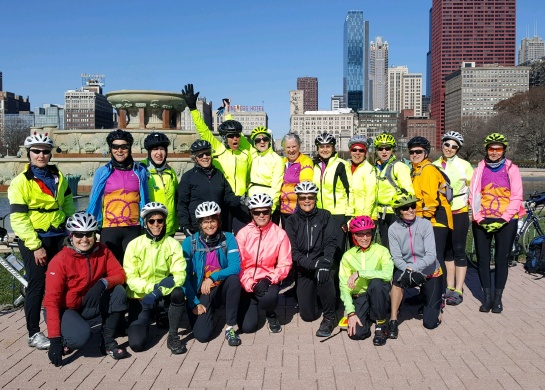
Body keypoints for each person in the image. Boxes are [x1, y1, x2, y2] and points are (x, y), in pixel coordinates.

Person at [8, 132, 75, 350]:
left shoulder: (59, 176)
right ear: (29, 154)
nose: (41, 155)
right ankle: (34, 333)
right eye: (36, 151)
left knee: (60, 282)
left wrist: (69, 230)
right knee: (36, 285)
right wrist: (35, 245)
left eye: (45, 151)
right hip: (35, 239)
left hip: (58, 237)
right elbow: (18, 218)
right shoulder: (20, 182)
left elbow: (67, 204)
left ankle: (62, 324)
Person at [44, 212, 128, 366]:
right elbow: (51, 302)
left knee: (118, 292)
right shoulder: (60, 261)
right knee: (81, 337)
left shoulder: (102, 250)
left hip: (88, 304)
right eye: (79, 235)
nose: (84, 239)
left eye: (89, 234)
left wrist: (102, 283)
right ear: (71, 236)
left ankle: (107, 341)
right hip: (65, 309)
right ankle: (65, 339)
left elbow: (120, 275)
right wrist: (54, 340)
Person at [181, 83, 252, 233]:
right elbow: (203, 130)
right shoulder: (217, 149)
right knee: (222, 237)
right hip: (222, 203)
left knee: (242, 238)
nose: (235, 139)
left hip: (239, 202)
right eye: (231, 136)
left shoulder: (245, 151)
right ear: (224, 138)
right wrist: (193, 109)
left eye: (237, 136)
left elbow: (249, 177)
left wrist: (228, 113)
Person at [469, 133, 524, 314]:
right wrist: (478, 217)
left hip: (506, 220)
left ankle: (498, 299)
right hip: (483, 219)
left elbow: (517, 196)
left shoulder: (511, 169)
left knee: (501, 260)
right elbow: (474, 196)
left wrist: (504, 218)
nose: (494, 152)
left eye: (498, 149)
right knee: (483, 260)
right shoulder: (479, 170)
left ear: (503, 150)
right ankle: (487, 298)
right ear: (486, 150)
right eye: (491, 149)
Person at [124, 202, 187, 354]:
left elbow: (180, 274)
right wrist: (151, 289)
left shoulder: (172, 244)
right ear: (145, 223)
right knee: (137, 345)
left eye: (160, 220)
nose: (156, 224)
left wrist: (158, 291)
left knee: (178, 292)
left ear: (165, 222)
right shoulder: (134, 245)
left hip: (162, 295)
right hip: (141, 298)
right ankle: (153, 316)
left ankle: (172, 335)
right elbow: (130, 278)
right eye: (151, 221)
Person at [182, 201, 242, 346]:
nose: (209, 225)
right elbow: (183, 276)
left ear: (218, 221)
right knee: (202, 336)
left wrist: (213, 277)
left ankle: (230, 327)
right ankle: (209, 311)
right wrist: (193, 302)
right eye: (205, 222)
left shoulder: (228, 238)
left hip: (220, 286)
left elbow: (236, 266)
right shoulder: (189, 242)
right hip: (201, 292)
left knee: (234, 280)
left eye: (212, 221)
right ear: (200, 224)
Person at [87, 129, 149, 264]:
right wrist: (91, 225)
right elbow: (94, 200)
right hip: (109, 227)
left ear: (129, 148)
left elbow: (146, 199)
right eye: (115, 147)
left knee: (133, 266)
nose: (119, 150)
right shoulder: (103, 172)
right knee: (110, 267)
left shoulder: (140, 171)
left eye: (124, 147)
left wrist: (147, 222)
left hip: (133, 227)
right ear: (111, 149)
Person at [285, 181, 338, 337]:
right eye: (302, 198)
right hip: (304, 267)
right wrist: (311, 264)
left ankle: (329, 316)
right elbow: (293, 252)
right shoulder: (291, 221)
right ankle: (314, 294)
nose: (306, 201)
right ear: (298, 199)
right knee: (308, 316)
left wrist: (326, 262)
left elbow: (330, 242)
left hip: (321, 263)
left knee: (325, 276)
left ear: (315, 198)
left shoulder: (325, 215)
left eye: (310, 197)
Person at [388, 195, 444, 337]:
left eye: (413, 206)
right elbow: (396, 257)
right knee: (397, 281)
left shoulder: (425, 224)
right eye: (406, 208)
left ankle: (430, 299)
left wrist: (413, 268)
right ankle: (393, 320)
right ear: (399, 211)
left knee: (430, 323)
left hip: (430, 271)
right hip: (407, 270)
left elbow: (431, 255)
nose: (411, 210)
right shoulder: (393, 229)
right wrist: (408, 270)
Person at [236, 193, 292, 334]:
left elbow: (285, 263)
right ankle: (253, 300)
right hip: (247, 281)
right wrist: (251, 284)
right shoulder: (243, 234)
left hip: (268, 279)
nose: (261, 215)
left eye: (265, 211)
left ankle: (270, 313)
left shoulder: (280, 234)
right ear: (251, 213)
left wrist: (268, 279)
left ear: (270, 212)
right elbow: (238, 265)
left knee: (270, 298)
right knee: (248, 328)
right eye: (257, 212)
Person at [433, 131, 474, 305]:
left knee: (458, 249)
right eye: (447, 144)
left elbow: (474, 188)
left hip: (458, 210)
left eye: (454, 146)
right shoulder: (434, 165)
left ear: (458, 149)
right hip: (441, 211)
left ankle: (459, 288)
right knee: (446, 250)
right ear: (442, 144)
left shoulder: (464, 165)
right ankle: (449, 286)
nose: (449, 148)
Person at [339, 216, 393, 345]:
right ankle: (368, 316)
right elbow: (344, 287)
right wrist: (351, 313)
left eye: (368, 233)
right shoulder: (348, 256)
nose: (364, 238)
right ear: (354, 236)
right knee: (357, 334)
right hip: (360, 296)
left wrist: (360, 273)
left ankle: (381, 326)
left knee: (377, 283)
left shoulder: (382, 251)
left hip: (378, 292)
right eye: (360, 234)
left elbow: (387, 274)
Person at [408, 136, 453, 291]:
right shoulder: (416, 170)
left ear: (426, 153)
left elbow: (430, 201)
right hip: (426, 219)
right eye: (412, 152)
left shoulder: (427, 170)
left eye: (418, 151)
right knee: (426, 258)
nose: (414, 155)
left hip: (436, 219)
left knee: (435, 259)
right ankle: (425, 295)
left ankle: (438, 295)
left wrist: (423, 222)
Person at [177, 139, 242, 236]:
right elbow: (182, 204)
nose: (205, 157)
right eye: (200, 155)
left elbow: (228, 196)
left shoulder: (218, 174)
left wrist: (241, 200)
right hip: (197, 226)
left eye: (207, 153)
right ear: (195, 158)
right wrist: (185, 225)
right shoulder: (188, 177)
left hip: (217, 225)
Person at [312, 132, 352, 262]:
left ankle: (337, 281)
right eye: (321, 146)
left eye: (328, 146)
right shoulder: (315, 165)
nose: (325, 150)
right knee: (321, 250)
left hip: (337, 214)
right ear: (317, 148)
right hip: (319, 213)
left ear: (334, 148)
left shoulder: (341, 165)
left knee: (337, 251)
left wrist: (347, 217)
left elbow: (350, 190)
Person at [374, 133, 414, 248]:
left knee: (397, 247)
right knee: (385, 246)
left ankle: (399, 267)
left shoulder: (399, 167)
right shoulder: (376, 168)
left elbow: (408, 191)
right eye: (380, 149)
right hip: (380, 212)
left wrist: (399, 208)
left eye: (387, 148)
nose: (384, 151)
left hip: (395, 213)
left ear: (392, 150)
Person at [243, 126, 284, 224]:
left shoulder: (277, 159)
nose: (262, 142)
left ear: (269, 141)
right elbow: (242, 139)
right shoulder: (253, 155)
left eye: (265, 139)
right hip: (252, 202)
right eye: (258, 140)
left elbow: (276, 186)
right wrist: (229, 117)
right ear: (254, 143)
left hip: (267, 204)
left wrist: (271, 210)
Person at [141, 132, 179, 236]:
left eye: (162, 149)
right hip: (150, 227)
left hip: (169, 228)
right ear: (149, 152)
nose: (159, 153)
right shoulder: (141, 170)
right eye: (155, 149)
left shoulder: (170, 172)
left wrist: (176, 225)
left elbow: (175, 198)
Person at [279, 133, 314, 226]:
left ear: (299, 146)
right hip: (283, 210)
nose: (291, 150)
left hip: (298, 210)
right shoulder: (282, 162)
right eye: (288, 147)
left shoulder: (305, 161)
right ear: (284, 148)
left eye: (294, 146)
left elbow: (305, 184)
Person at [347, 135, 377, 221]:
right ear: (350, 151)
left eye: (361, 150)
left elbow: (370, 196)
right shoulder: (346, 167)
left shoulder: (369, 169)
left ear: (365, 152)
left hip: (365, 216)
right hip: (350, 215)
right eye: (354, 150)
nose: (357, 153)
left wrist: (364, 217)